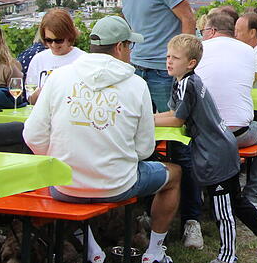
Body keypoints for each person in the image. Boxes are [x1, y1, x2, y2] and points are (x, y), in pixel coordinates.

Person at [24, 15, 181, 263]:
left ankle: (90, 247)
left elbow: (32, 135)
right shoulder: (136, 85)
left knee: (74, 188)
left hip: (64, 185)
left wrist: (60, 160)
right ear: (120, 47)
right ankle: (154, 251)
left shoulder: (58, 78)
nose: (131, 52)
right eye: (130, 46)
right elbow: (144, 149)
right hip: (117, 184)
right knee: (174, 174)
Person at [89, 0, 201, 249]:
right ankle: (151, 213)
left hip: (165, 73)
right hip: (137, 71)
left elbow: (188, 19)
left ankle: (192, 220)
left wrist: (182, 68)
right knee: (138, 139)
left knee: (178, 144)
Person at [155, 35, 257, 263]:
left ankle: (228, 256)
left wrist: (146, 120)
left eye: (175, 58)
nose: (169, 61)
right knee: (236, 200)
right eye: (168, 56)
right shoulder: (182, 81)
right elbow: (173, 114)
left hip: (216, 153)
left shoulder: (188, 84)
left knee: (223, 210)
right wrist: (150, 117)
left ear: (191, 63)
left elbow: (177, 120)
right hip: (220, 146)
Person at [197, 12, 257, 211]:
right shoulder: (248, 51)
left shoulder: (197, 49)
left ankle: (198, 201)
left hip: (202, 134)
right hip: (238, 132)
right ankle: (252, 195)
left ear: (212, 31)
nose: (202, 34)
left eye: (204, 31)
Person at [24, 9, 86, 105]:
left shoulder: (83, 59)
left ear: (69, 36)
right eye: (48, 40)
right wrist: (43, 91)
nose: (53, 45)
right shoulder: (38, 60)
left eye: (59, 40)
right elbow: (31, 100)